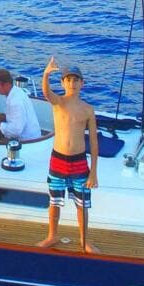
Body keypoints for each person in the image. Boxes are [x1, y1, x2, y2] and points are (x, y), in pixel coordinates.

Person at [36, 58, 100, 254]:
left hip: (79, 162)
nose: (72, 83)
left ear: (82, 83)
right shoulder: (58, 102)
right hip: (58, 160)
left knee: (82, 204)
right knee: (54, 201)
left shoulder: (88, 109)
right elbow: (46, 92)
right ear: (63, 83)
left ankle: (84, 240)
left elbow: (94, 142)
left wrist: (93, 172)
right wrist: (46, 74)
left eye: (75, 80)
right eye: (68, 80)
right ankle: (51, 235)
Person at [0, 68, 41, 142]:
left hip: (27, 141)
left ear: (7, 85)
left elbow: (15, 131)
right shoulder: (16, 92)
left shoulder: (16, 101)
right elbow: (13, 117)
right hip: (24, 134)